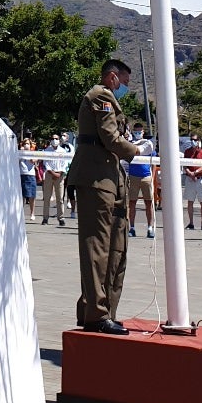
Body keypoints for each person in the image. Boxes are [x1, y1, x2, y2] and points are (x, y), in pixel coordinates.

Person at [66, 58, 138, 335]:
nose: (125, 89)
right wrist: (136, 150)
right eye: (124, 83)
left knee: (116, 249)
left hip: (110, 180)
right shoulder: (100, 96)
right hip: (95, 179)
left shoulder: (109, 98)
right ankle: (95, 313)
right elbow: (109, 138)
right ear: (112, 77)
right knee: (97, 247)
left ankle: (103, 310)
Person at [127, 123, 156, 238]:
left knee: (149, 203)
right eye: (136, 132)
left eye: (140, 132)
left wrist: (152, 177)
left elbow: (153, 162)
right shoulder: (131, 144)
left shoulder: (148, 144)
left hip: (146, 176)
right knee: (132, 202)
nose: (138, 134)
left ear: (143, 132)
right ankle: (132, 228)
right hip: (133, 176)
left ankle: (150, 228)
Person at [182, 134, 202, 231]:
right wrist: (189, 173)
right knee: (190, 201)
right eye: (191, 140)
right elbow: (184, 164)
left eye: (194, 140)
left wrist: (196, 172)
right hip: (190, 179)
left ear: (198, 141)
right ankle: (191, 223)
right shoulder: (187, 151)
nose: (192, 141)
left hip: (201, 179)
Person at [41, 133, 68, 226]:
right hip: (49, 174)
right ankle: (45, 218)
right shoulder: (47, 150)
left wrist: (59, 173)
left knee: (60, 198)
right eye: (53, 138)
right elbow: (46, 163)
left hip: (60, 175)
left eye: (56, 138)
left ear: (59, 140)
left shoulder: (63, 151)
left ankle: (61, 218)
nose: (54, 140)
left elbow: (65, 163)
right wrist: (52, 173)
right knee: (47, 197)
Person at [19, 135, 38, 221]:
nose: (26, 145)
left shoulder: (33, 153)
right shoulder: (19, 152)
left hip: (30, 175)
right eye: (24, 144)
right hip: (22, 174)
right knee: (21, 195)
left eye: (27, 144)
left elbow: (33, 161)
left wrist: (29, 153)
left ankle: (32, 213)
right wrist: (21, 152)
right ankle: (20, 213)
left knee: (31, 196)